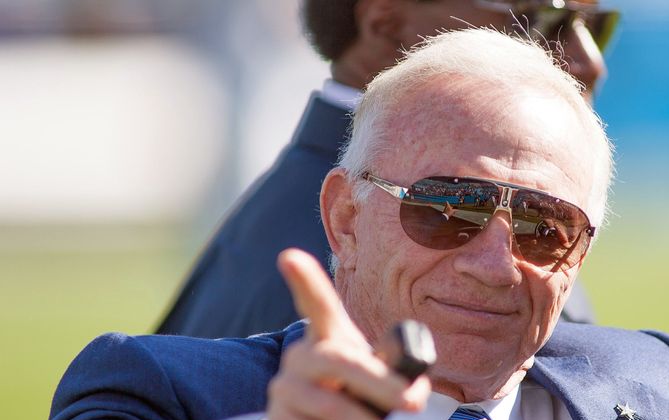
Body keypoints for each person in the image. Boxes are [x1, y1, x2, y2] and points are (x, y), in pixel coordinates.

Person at [5, 28, 669, 420]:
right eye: (447, 208)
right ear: (345, 217)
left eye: (543, 228)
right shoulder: (174, 394)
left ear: (581, 255)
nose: (495, 264)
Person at [155, 0, 620, 338]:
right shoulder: (330, 265)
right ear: (386, 18)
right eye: (540, 19)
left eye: (596, 25)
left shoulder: (302, 215)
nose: (587, 61)